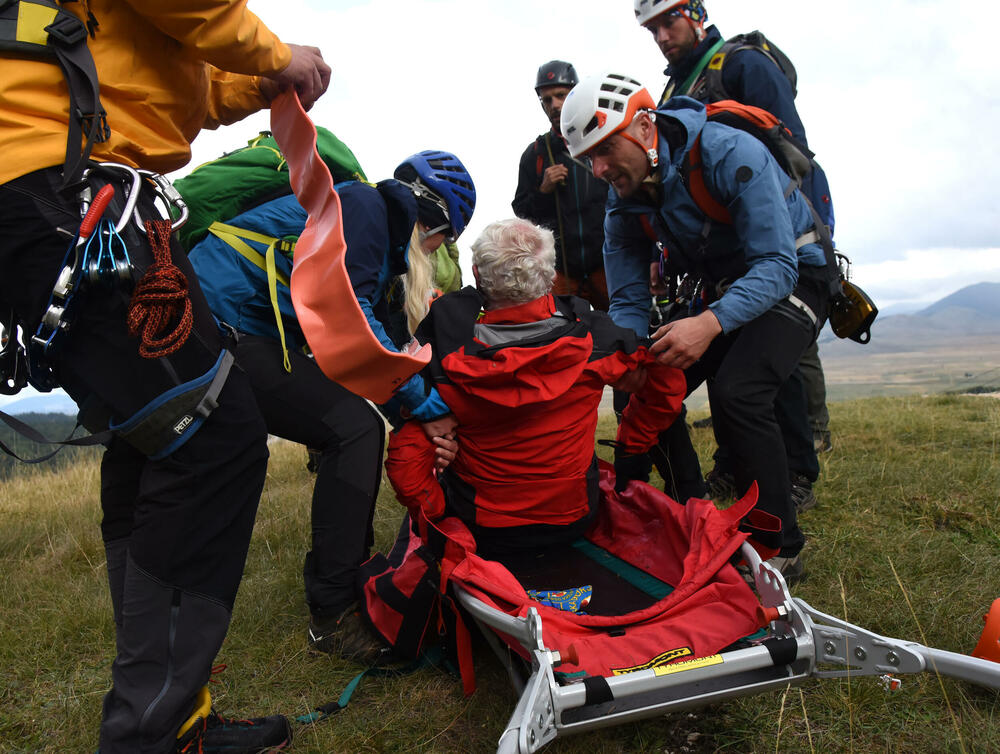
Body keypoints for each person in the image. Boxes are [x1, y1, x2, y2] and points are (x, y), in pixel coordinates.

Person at [0, 2, 330, 751]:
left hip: (56, 186)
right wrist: (275, 53)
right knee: (213, 438)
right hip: (62, 185)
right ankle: (153, 734)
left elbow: (181, 84)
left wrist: (265, 80)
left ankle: (171, 717)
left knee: (158, 439)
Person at [187, 150, 475, 655]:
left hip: (229, 324)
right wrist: (423, 407)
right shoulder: (365, 208)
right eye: (442, 242)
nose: (435, 253)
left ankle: (348, 581)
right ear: (433, 224)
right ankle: (334, 614)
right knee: (353, 430)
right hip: (220, 322)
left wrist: (414, 414)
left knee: (353, 423)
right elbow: (352, 321)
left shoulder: (374, 235)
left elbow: (377, 349)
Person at [560, 72, 834, 581]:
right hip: (727, 287)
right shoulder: (623, 202)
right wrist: (633, 357)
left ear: (644, 127)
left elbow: (776, 264)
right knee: (642, 386)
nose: (597, 170)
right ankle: (695, 510)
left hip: (799, 273)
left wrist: (708, 324)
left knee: (740, 391)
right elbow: (627, 298)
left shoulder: (729, 152)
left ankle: (780, 548)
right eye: (586, 160)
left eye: (604, 150)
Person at [385, 217, 685, 557]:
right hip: (574, 518)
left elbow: (407, 459)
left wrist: (437, 514)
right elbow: (666, 380)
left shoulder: (443, 342)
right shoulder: (594, 336)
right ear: (551, 277)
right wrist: (632, 446)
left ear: (478, 275)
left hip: (481, 525)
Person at [634, 0, 833, 507]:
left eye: (668, 21)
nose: (661, 35)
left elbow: (792, 151)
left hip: (777, 233)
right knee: (727, 361)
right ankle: (738, 464)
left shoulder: (743, 63)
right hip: (718, 250)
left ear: (696, 13)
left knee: (773, 358)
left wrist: (810, 238)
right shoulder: (673, 91)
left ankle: (794, 474)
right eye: (651, 27)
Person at [512, 61, 610, 311]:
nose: (554, 105)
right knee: (561, 341)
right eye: (546, 100)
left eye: (560, 96)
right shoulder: (535, 154)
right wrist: (542, 191)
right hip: (560, 271)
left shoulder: (603, 139)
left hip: (607, 263)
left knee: (620, 333)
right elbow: (522, 212)